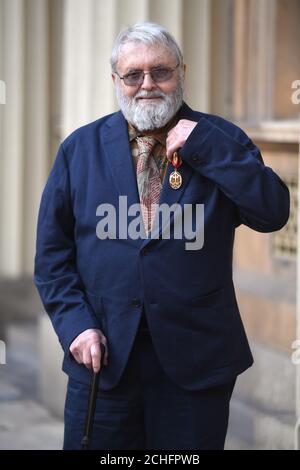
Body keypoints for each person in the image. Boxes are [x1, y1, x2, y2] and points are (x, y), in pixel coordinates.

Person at [34, 22, 290, 450]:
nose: (147, 84)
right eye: (133, 75)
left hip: (194, 365)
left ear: (182, 72)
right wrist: (76, 327)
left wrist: (206, 146)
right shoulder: (79, 150)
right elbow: (52, 255)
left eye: (161, 71)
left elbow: (272, 212)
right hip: (104, 360)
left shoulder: (221, 139)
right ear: (116, 81)